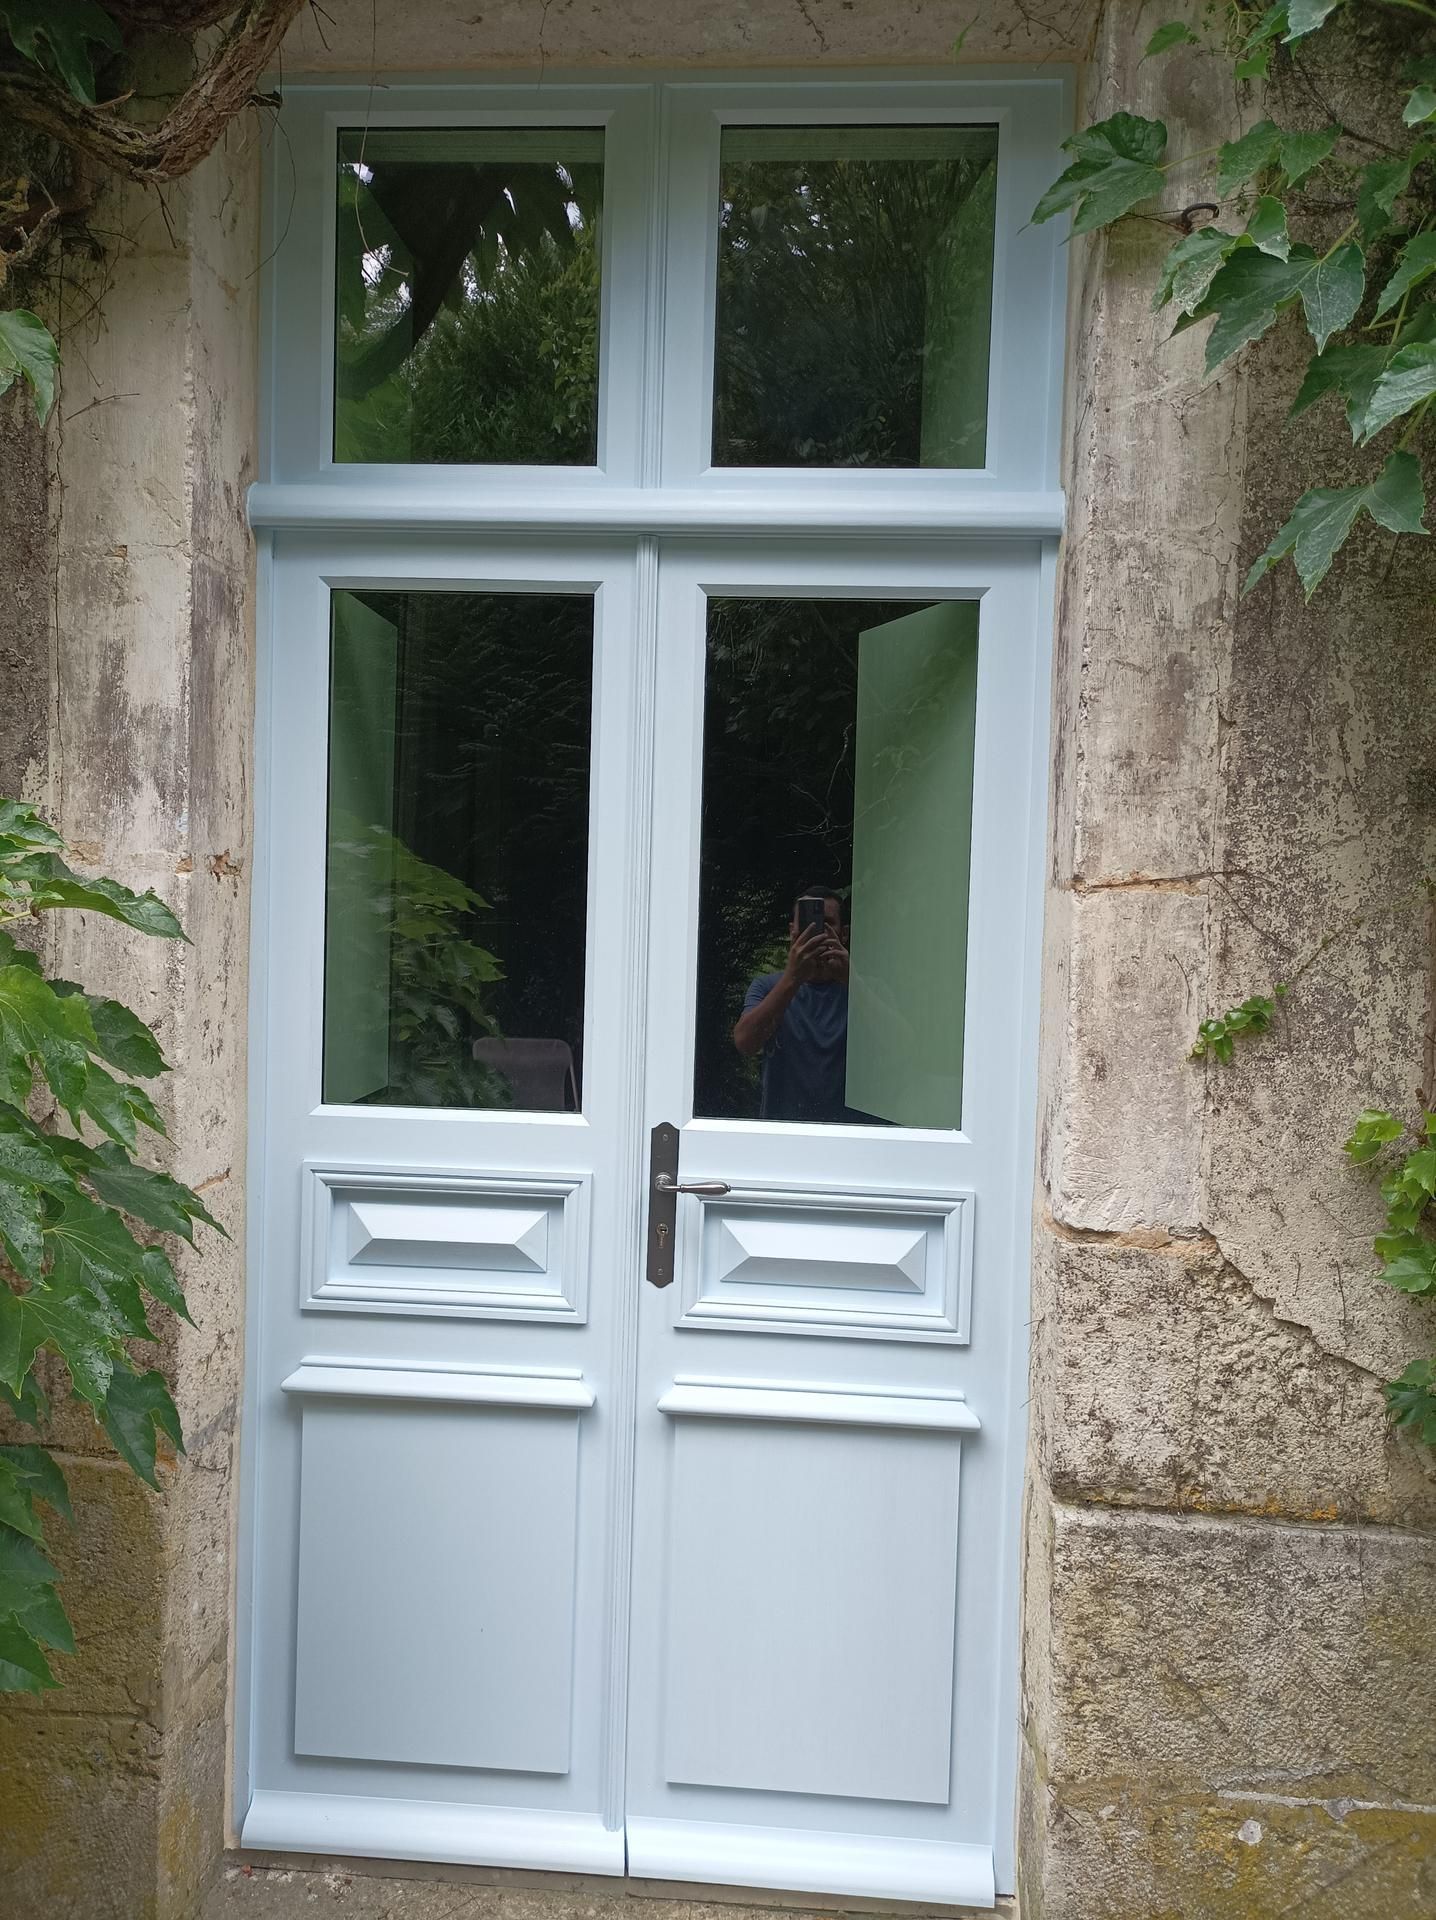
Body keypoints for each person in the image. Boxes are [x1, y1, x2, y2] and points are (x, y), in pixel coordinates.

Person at [732, 886, 852, 1123]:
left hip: (850, 1136)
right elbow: (745, 1042)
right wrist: (792, 978)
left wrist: (852, 980)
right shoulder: (767, 987)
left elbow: (901, 1044)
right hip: (784, 1136)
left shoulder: (861, 988)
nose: (815, 931)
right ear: (792, 932)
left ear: (843, 933)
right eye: (807, 922)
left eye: (826, 923)